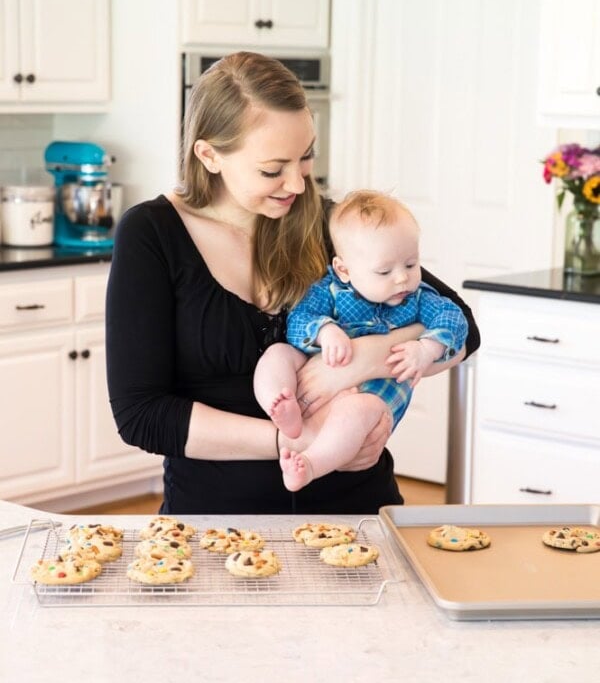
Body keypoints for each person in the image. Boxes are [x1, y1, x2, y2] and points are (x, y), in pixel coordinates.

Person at [105, 50, 480, 515]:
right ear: (209, 155)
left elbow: (464, 327)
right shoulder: (152, 234)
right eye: (272, 169)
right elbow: (142, 415)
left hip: (358, 511)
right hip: (215, 521)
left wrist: (361, 362)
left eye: (305, 159)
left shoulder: (329, 224)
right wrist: (297, 440)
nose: (298, 185)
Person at [253, 190, 468, 491]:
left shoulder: (418, 299)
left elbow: (456, 318)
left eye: (411, 264)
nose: (402, 279)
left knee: (355, 412)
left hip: (371, 399)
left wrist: (426, 349)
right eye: (384, 271)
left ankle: (311, 465)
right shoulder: (329, 290)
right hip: (315, 375)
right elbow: (299, 319)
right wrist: (326, 331)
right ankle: (280, 404)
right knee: (277, 354)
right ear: (343, 270)